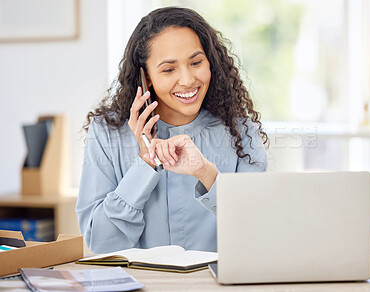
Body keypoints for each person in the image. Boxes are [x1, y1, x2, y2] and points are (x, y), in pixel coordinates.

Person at [76, 7, 269, 254]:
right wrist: (145, 165)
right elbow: (101, 243)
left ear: (211, 62)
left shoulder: (242, 132)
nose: (188, 80)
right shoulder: (106, 134)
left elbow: (258, 231)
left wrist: (207, 173)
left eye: (196, 62)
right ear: (146, 77)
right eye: (169, 69)